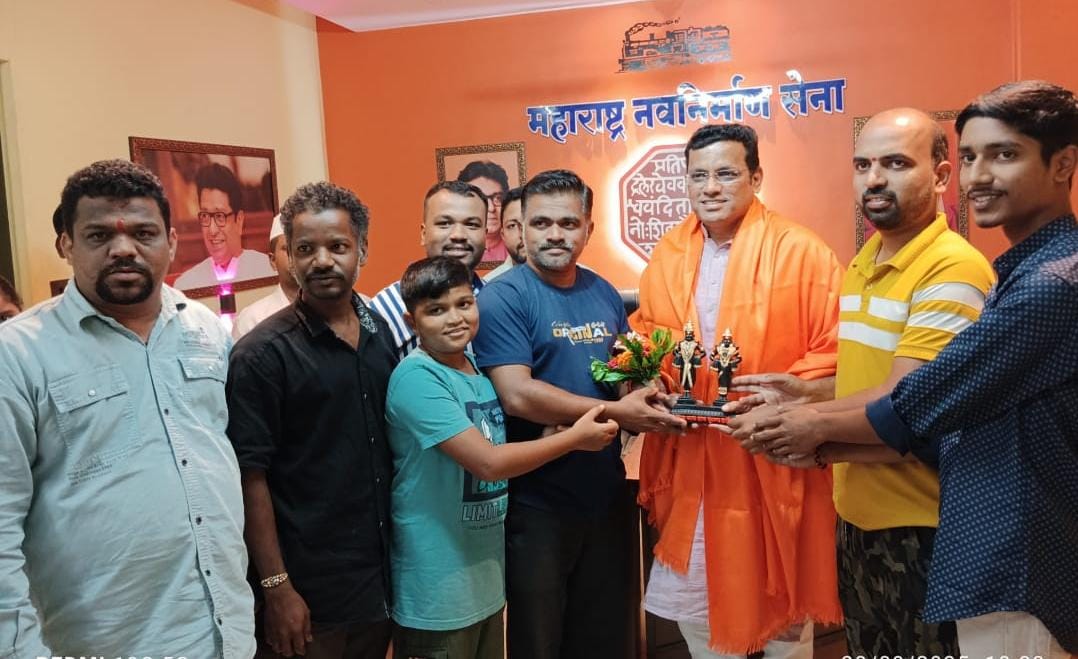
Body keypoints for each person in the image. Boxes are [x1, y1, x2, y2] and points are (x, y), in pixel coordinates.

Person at [736, 80, 1078, 659]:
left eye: (1004, 155)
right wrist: (811, 407)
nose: (979, 176)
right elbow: (933, 408)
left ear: (1063, 164)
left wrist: (809, 429)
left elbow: (920, 405)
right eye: (971, 157)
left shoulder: (1046, 284)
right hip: (913, 526)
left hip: (998, 549)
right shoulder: (1015, 269)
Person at [0, 159, 254, 657]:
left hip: (225, 633)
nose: (123, 249)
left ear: (171, 242)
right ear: (66, 244)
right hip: (104, 643)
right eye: (98, 235)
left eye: (143, 233)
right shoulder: (18, 354)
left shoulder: (205, 329)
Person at [630, 123, 845, 656]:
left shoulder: (802, 251)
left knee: (784, 616)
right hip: (693, 454)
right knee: (698, 612)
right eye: (698, 175)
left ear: (756, 177)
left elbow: (837, 348)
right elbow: (646, 336)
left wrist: (784, 397)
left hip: (771, 452)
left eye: (726, 173)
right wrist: (652, 382)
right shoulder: (668, 253)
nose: (710, 187)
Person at [472, 169, 686, 659]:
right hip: (537, 503)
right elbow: (517, 394)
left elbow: (620, 371)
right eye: (541, 223)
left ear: (589, 228)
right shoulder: (504, 297)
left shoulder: (603, 292)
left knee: (607, 637)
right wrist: (617, 410)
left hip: (606, 493)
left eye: (568, 223)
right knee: (540, 641)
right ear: (520, 227)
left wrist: (647, 391)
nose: (554, 234)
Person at [386, 255, 619, 659]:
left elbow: (496, 440)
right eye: (436, 310)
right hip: (437, 588)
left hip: (483, 582)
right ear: (412, 322)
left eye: (463, 304)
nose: (455, 319)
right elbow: (488, 462)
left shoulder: (475, 368)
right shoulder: (417, 377)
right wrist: (572, 439)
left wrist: (549, 435)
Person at [226, 181, 396, 659]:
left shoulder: (380, 333)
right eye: (305, 249)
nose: (322, 261)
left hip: (378, 578)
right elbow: (250, 476)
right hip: (307, 589)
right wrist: (276, 587)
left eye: (337, 247)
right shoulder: (261, 355)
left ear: (362, 250)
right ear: (289, 255)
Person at [371, 180, 487, 358]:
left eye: (472, 224)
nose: (458, 235)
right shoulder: (384, 309)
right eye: (444, 223)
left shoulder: (502, 298)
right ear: (423, 234)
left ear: (485, 235)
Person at [174, 162, 274, 289]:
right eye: (205, 216)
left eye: (220, 216)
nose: (212, 230)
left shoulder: (267, 271)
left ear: (239, 221)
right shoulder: (186, 285)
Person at [233, 214, 300, 339]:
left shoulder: (332, 310)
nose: (295, 255)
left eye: (303, 248)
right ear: (273, 260)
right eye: (287, 248)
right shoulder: (252, 319)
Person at [458, 160, 510, 263]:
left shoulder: (520, 249)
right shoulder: (452, 251)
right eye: (481, 199)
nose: (491, 208)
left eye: (498, 198)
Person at [483, 186, 526, 281]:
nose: (522, 234)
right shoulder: (490, 284)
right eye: (512, 225)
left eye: (533, 223)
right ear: (503, 235)